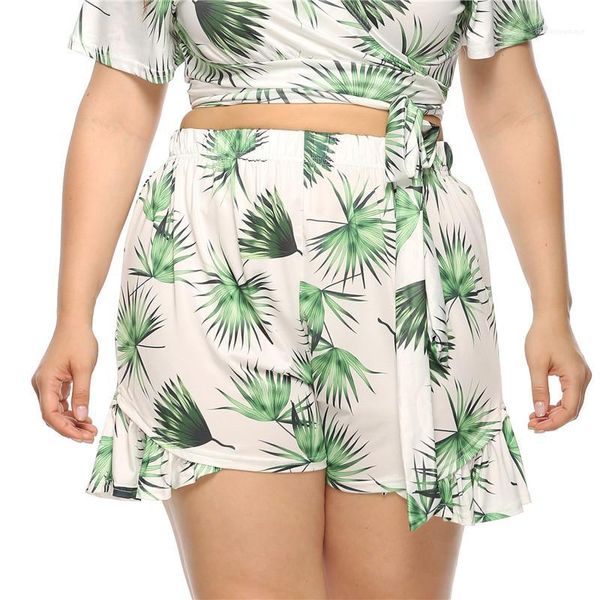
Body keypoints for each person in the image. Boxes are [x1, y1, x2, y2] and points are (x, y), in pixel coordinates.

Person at [31, 1, 592, 598]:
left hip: (410, 265)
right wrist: (72, 314)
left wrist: (552, 308)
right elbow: (118, 108)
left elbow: (510, 111)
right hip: (215, 259)